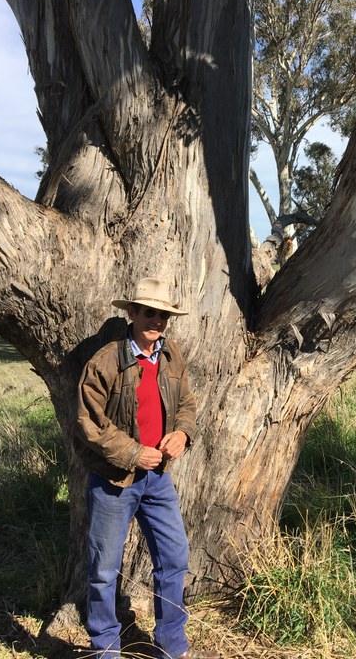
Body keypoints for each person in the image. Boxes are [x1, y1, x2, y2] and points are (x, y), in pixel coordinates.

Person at [75, 277, 220, 659]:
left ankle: (171, 646)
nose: (157, 321)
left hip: (157, 479)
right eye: (149, 313)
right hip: (113, 480)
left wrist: (183, 434)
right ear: (132, 313)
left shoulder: (170, 353)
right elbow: (89, 422)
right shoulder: (105, 361)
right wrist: (133, 453)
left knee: (174, 558)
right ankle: (105, 650)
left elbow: (187, 402)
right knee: (104, 570)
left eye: (164, 315)